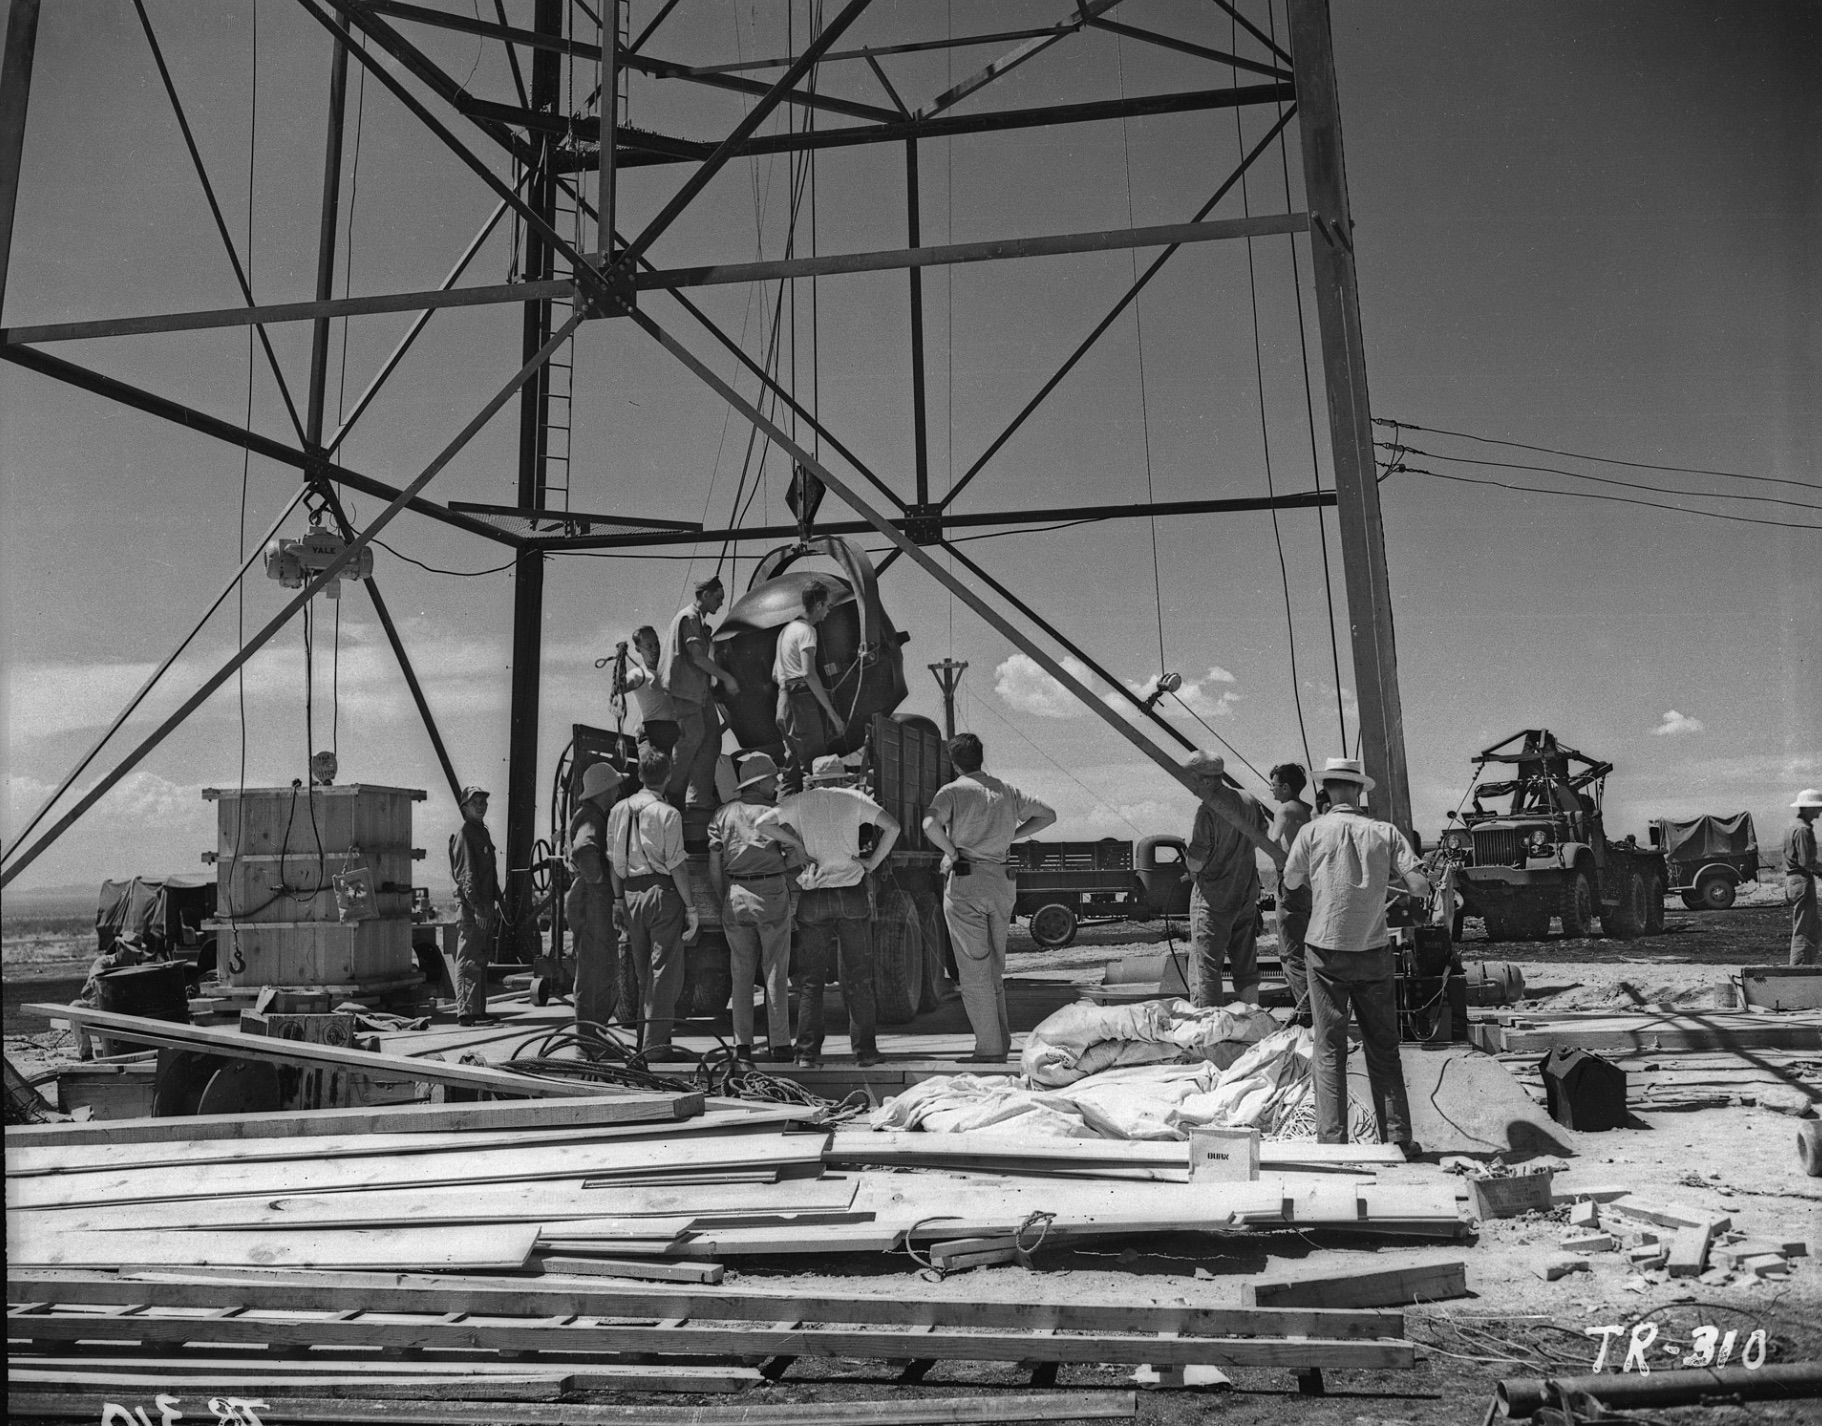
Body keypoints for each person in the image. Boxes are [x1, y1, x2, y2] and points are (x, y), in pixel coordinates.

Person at [1280, 757, 1430, 1152]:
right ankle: (1397, 1138)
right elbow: (1419, 887)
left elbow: (1291, 880)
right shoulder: (1385, 832)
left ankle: (1332, 1142)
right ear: (1360, 790)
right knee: (1383, 1048)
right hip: (1373, 948)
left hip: (1325, 949)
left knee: (1329, 1049)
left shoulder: (1312, 831)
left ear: (1326, 790)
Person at [924, 733, 1056, 1064]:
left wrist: (952, 851)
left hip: (968, 879)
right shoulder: (1006, 791)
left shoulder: (952, 791)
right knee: (994, 965)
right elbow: (1048, 814)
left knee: (973, 968)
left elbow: (929, 824)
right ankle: (1001, 1039)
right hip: (1001, 880)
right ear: (980, 757)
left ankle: (989, 1047)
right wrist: (1011, 835)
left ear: (953, 762)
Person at [762, 755, 900, 1068]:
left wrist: (796, 845)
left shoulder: (799, 801)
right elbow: (893, 826)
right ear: (840, 777)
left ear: (813, 778)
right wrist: (872, 863)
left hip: (814, 895)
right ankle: (865, 1052)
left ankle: (808, 1054)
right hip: (851, 892)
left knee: (811, 980)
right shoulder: (855, 799)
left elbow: (762, 824)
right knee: (859, 978)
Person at [604, 749, 700, 1060]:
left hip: (630, 895)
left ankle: (644, 1042)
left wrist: (618, 900)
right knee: (663, 973)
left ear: (640, 776)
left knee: (644, 972)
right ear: (668, 776)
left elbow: (614, 862)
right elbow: (677, 865)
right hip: (662, 894)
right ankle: (656, 1049)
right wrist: (691, 907)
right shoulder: (667, 814)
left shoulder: (617, 810)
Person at [708, 752, 795, 1064]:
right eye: (774, 778)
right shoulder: (775, 812)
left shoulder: (723, 814)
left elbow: (714, 863)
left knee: (741, 973)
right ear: (761, 782)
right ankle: (781, 1045)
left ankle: (742, 1047)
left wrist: (724, 898)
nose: (777, 783)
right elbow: (794, 855)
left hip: (735, 894)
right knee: (775, 970)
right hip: (770, 890)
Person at [1181, 751, 1274, 1009]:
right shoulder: (1247, 798)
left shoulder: (1207, 810)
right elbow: (1262, 837)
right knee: (1246, 964)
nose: (1191, 787)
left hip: (1214, 897)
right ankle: (1252, 1018)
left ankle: (1208, 1031)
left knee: (1206, 966)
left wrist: (1191, 864)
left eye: (1193, 780)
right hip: (1245, 893)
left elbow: (1197, 861)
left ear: (1206, 780)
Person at [663, 576, 741, 809]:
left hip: (699, 692)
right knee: (692, 738)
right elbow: (697, 656)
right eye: (718, 598)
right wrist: (726, 677)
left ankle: (697, 798)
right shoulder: (688, 618)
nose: (720, 604)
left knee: (711, 738)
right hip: (684, 692)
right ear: (705, 595)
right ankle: (671, 792)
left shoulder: (699, 621)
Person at [565, 760, 623, 1039]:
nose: (617, 792)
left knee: (594, 966)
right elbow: (583, 849)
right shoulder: (593, 817)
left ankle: (591, 1035)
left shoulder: (590, 814)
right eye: (614, 787)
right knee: (596, 968)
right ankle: (589, 1038)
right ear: (604, 790)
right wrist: (599, 879)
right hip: (593, 899)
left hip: (589, 898)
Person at [774, 579, 843, 792]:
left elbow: (776, 674)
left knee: (791, 772)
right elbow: (808, 673)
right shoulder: (806, 631)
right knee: (816, 769)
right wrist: (833, 715)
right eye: (828, 606)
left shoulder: (786, 631)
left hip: (783, 704)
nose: (829, 611)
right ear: (819, 605)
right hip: (801, 703)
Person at [447, 785, 499, 1027]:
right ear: (464, 807)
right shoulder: (466, 834)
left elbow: (488, 873)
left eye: (483, 801)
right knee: (469, 958)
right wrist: (477, 907)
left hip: (484, 906)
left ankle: (477, 1010)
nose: (481, 805)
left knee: (479, 957)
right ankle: (467, 1012)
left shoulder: (480, 832)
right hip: (472, 909)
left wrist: (497, 899)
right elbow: (467, 876)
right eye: (475, 801)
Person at [1268, 762, 1316, 1025]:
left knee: (1290, 953)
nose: (1271, 789)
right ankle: (1311, 1005)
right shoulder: (1308, 811)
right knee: (1308, 948)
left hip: (1290, 884)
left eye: (1274, 784)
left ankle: (1306, 1012)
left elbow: (1273, 842)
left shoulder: (1284, 809)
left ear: (1285, 787)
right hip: (1310, 885)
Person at [616, 625, 678, 757]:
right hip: (652, 734)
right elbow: (620, 687)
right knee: (654, 771)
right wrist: (620, 662)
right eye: (649, 646)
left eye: (656, 644)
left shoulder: (672, 672)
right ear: (638, 649)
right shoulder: (638, 674)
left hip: (675, 733)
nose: (655, 649)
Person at [1785, 789, 1822, 967]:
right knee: (1804, 930)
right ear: (1808, 808)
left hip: (1796, 881)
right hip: (1801, 881)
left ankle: (1804, 968)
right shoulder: (1803, 830)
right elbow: (1807, 861)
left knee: (1811, 929)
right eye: (1817, 808)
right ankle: (1799, 972)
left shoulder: (1793, 826)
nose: (1820, 812)